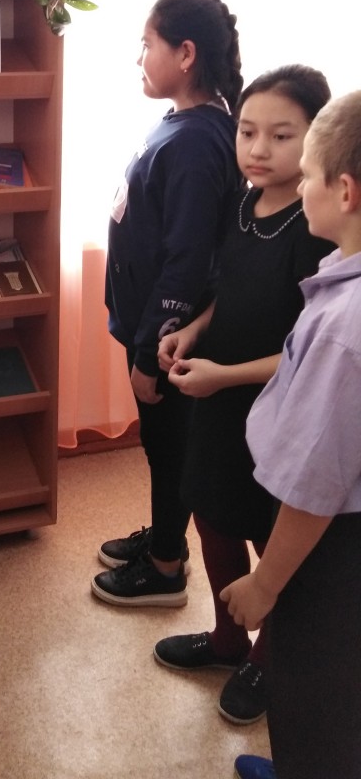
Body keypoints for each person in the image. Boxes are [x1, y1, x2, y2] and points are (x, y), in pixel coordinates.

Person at [152, 65, 334, 727]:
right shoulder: (240, 204)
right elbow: (227, 290)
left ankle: (265, 660)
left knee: (268, 539)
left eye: (281, 136)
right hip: (218, 401)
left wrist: (222, 374)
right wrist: (192, 330)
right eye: (247, 132)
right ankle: (228, 640)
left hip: (276, 410)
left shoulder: (318, 227)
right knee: (212, 517)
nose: (258, 150)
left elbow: (306, 353)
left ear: (317, 140)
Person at [221, 88, 361, 779]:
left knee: (312, 689)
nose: (299, 188)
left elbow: (316, 484)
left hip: (335, 547)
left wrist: (264, 583)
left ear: (345, 191)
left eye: (306, 174)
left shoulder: (344, 328)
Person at [92, 0, 242, 607]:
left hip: (167, 338)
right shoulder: (185, 124)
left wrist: (149, 351)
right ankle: (163, 535)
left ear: (185, 53)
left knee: (168, 446)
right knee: (161, 445)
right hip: (150, 326)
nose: (139, 57)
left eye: (147, 44)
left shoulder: (198, 143)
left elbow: (187, 260)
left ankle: (165, 567)